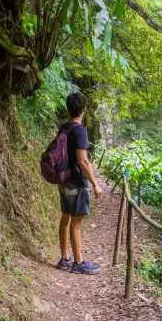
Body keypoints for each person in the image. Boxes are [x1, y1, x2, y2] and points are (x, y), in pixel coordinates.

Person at [56, 92, 103, 275]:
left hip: (63, 180)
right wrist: (95, 184)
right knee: (76, 222)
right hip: (75, 182)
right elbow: (82, 161)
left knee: (65, 217)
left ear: (68, 109)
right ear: (83, 109)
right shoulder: (80, 130)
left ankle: (64, 258)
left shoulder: (64, 128)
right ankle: (78, 262)